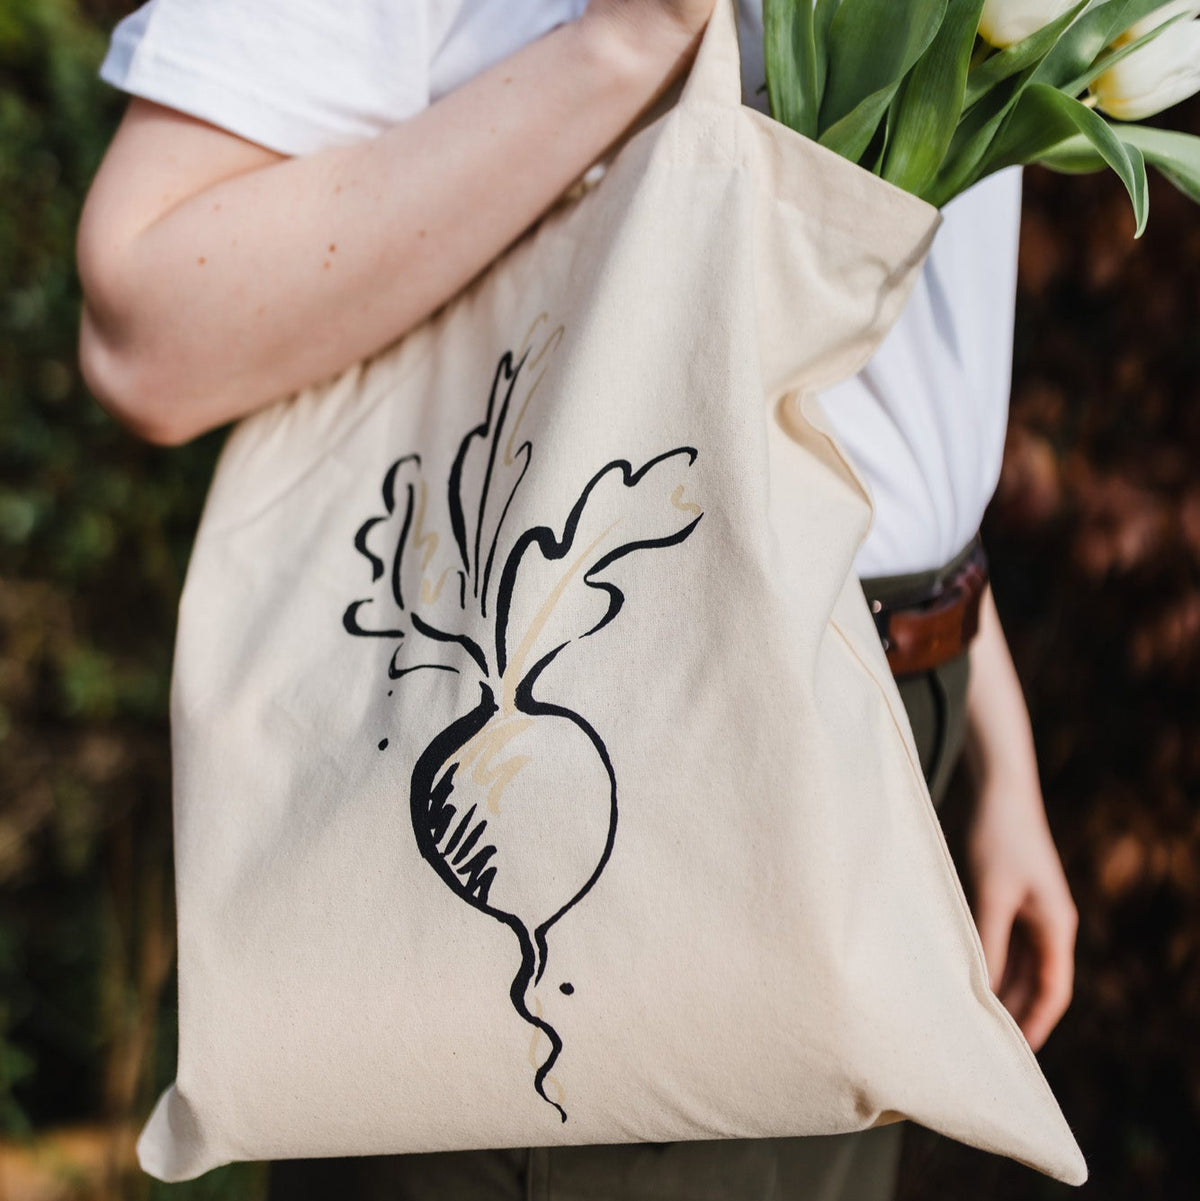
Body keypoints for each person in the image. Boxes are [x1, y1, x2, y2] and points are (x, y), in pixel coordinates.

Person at [76, 2, 1079, 1198]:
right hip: (642, 734)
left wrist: (986, 723)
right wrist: (626, 38)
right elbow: (147, 325)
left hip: (879, 719)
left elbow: (815, 374)